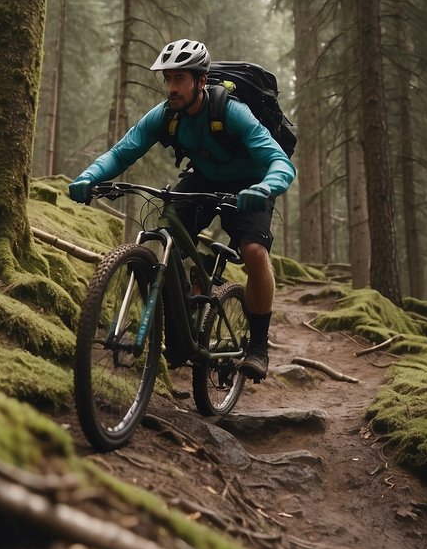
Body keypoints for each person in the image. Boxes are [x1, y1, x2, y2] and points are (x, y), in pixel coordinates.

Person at [68, 38, 295, 381]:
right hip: (202, 179)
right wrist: (88, 178)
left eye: (180, 79)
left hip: (251, 183)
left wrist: (264, 187)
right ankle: (179, 326)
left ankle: (259, 347)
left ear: (200, 81)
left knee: (253, 250)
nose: (172, 88)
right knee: (166, 233)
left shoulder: (231, 111)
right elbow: (121, 152)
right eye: (168, 79)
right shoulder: (165, 115)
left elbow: (279, 161)